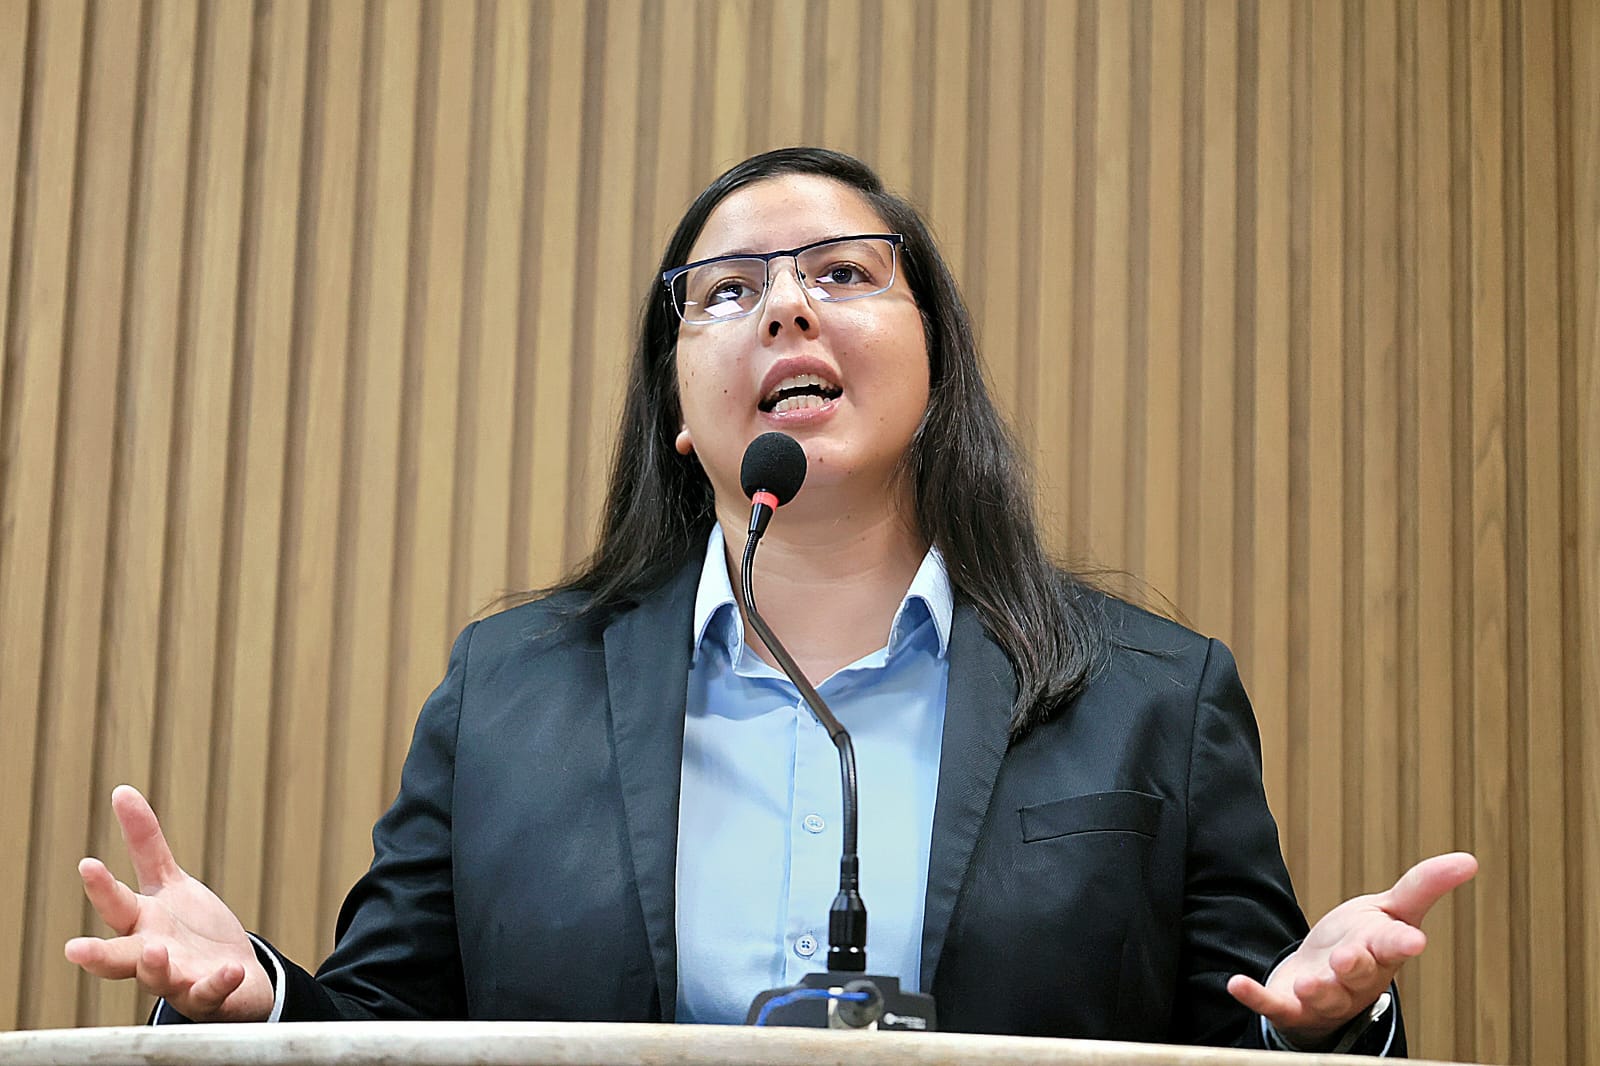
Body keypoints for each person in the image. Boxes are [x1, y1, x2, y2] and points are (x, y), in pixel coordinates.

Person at [65, 147, 1476, 1051]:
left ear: (937, 367)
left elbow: (1243, 1037)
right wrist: (257, 994)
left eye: (844, 275)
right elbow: (390, 1028)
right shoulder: (510, 692)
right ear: (681, 411)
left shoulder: (1152, 692)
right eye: (728, 292)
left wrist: (1332, 1023)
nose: (789, 307)